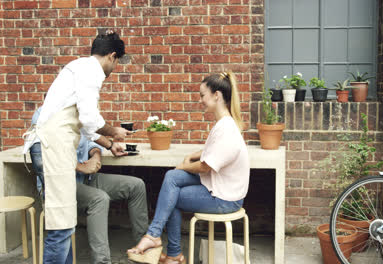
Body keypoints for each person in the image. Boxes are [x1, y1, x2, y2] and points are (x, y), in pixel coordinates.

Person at [22, 30, 132, 264]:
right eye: (117, 62)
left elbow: (86, 126)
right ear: (112, 56)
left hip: (51, 145)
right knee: (61, 225)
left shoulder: (80, 68)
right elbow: (91, 119)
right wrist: (115, 131)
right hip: (52, 145)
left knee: (65, 221)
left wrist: (110, 144)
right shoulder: (91, 72)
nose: (114, 68)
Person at [127, 72, 250, 264]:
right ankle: (160, 242)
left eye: (202, 95)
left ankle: (165, 246)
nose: (200, 100)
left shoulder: (226, 128)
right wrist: (194, 155)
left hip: (226, 198)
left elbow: (205, 167)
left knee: (172, 197)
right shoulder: (223, 124)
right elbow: (213, 152)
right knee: (172, 177)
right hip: (218, 186)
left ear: (216, 95)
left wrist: (185, 164)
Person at [29, 107, 149, 264]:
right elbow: (46, 157)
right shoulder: (45, 115)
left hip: (86, 178)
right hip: (61, 184)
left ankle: (144, 249)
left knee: (136, 185)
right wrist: (80, 166)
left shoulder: (80, 111)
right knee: (99, 199)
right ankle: (102, 261)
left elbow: (91, 138)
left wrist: (96, 156)